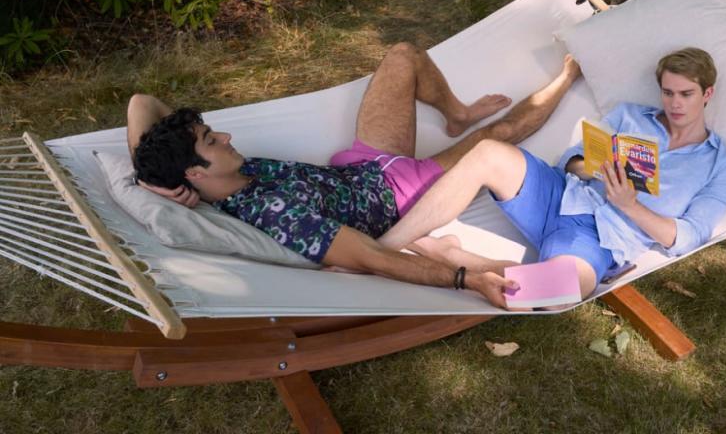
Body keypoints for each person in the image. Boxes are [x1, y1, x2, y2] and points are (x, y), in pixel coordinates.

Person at [128, 43, 582, 308]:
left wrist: (160, 182)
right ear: (196, 170)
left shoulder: (203, 176)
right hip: (400, 193)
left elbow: (141, 104)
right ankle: (568, 75)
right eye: (211, 140)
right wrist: (464, 280)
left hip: (361, 163)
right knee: (498, 138)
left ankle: (457, 113)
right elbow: (372, 257)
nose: (225, 135)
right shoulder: (277, 215)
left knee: (403, 55)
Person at [377, 47, 726, 300]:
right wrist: (595, 169)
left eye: (686, 94)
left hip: (602, 238)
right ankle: (381, 250)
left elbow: (688, 237)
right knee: (488, 152)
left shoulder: (720, 163)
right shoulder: (630, 116)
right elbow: (572, 159)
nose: (675, 104)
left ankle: (447, 257)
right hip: (561, 195)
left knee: (561, 289)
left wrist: (630, 205)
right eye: (668, 92)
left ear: (707, 93)